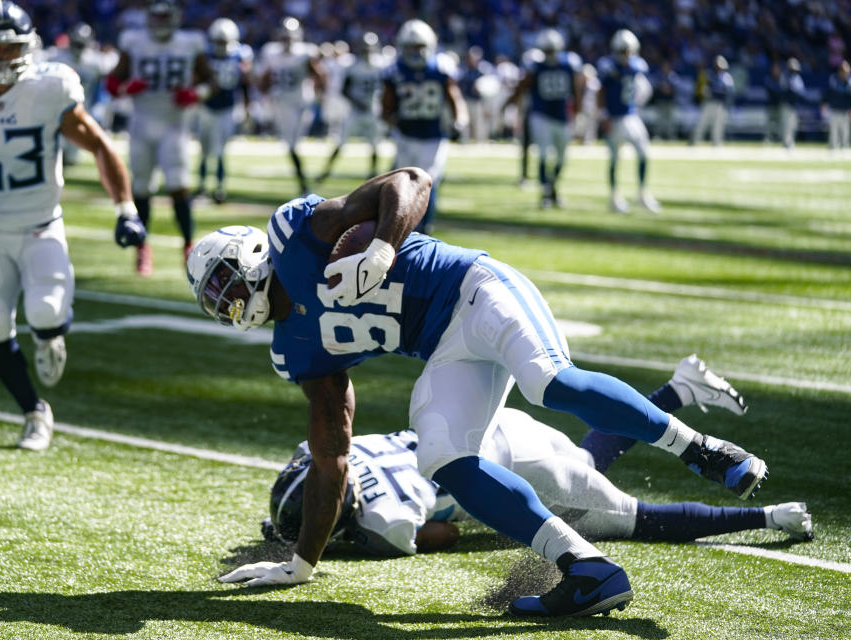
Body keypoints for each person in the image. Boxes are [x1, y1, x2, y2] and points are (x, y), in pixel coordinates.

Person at [186, 167, 767, 617]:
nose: (225, 299)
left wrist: (384, 246)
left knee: (548, 382)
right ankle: (588, 569)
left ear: (251, 252)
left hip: (476, 288)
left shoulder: (297, 234)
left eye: (222, 279)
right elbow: (332, 450)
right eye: (212, 296)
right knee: (438, 456)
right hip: (444, 348)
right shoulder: (294, 350)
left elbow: (411, 181)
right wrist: (301, 563)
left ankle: (701, 448)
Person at [263, 357, 812, 558]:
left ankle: (769, 515)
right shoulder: (323, 457)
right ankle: (680, 390)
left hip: (502, 467)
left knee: (632, 519)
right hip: (479, 425)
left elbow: (442, 537)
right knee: (586, 462)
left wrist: (346, 544)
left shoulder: (382, 521)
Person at [0, 0, 146, 451]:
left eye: (14, 48)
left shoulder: (50, 87)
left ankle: (49, 337)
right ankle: (33, 411)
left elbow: (101, 146)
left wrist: (127, 209)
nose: (6, 57)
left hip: (41, 223)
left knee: (45, 310)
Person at [105, 0, 210, 276]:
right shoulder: (134, 41)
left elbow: (211, 81)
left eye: (166, 17)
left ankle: (188, 245)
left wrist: (196, 94)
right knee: (141, 188)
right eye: (157, 17)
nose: (161, 23)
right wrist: (127, 87)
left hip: (175, 124)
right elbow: (112, 82)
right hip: (141, 122)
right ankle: (143, 248)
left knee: (178, 184)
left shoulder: (190, 43)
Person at [381, 20, 468, 233]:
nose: (415, 51)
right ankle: (398, 226)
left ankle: (424, 228)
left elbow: (453, 96)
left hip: (433, 135)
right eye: (410, 46)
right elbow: (386, 105)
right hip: (406, 134)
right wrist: (390, 121)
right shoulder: (394, 70)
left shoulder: (440, 67)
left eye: (419, 46)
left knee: (429, 182)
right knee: (402, 183)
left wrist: (459, 120)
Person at [504, 29, 583, 208]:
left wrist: (578, 111)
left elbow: (577, 89)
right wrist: (508, 103)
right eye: (547, 50)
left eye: (552, 50)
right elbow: (523, 86)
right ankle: (546, 192)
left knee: (563, 158)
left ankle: (552, 187)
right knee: (544, 153)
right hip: (540, 115)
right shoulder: (536, 66)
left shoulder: (569, 64)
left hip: (562, 115)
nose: (549, 54)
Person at [257, 17, 325, 196]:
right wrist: (263, 92)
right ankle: (303, 182)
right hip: (281, 104)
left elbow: (319, 75)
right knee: (291, 145)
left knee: (293, 145)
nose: (287, 41)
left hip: (301, 103)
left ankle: (303, 183)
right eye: (284, 38)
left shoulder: (306, 52)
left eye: (290, 38)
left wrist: (320, 93)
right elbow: (264, 80)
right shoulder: (271, 52)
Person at [597, 29, 660, 214]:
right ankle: (614, 197)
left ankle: (642, 193)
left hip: (631, 116)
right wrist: (603, 115)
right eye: (623, 50)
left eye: (628, 50)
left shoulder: (637, 65)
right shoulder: (607, 66)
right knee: (615, 158)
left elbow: (642, 89)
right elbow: (600, 92)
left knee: (643, 152)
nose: (626, 53)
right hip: (614, 117)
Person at [193, 17, 252, 203]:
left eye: (224, 41)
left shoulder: (241, 55)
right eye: (218, 41)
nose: (221, 45)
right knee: (203, 150)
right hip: (205, 107)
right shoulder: (205, 55)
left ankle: (219, 188)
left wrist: (246, 105)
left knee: (220, 151)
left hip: (227, 108)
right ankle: (202, 187)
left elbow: (245, 83)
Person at [317, 32, 386, 183]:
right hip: (355, 111)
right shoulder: (353, 66)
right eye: (365, 49)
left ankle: (373, 174)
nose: (367, 52)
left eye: (369, 49)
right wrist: (357, 101)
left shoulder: (381, 65)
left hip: (373, 110)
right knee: (341, 142)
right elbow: (344, 89)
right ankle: (326, 171)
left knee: (374, 145)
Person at [46, 23, 112, 166]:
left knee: (71, 159)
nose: (78, 46)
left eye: (81, 43)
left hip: (83, 109)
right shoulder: (56, 57)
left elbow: (103, 85)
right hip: (58, 110)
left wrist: (100, 104)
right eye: (76, 43)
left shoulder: (96, 62)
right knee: (55, 152)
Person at [691, 55, 734, 146]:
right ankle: (694, 142)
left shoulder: (727, 77)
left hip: (720, 105)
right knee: (702, 123)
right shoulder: (709, 74)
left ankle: (716, 144)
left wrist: (718, 92)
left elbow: (728, 92)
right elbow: (704, 89)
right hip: (709, 103)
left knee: (718, 126)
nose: (718, 67)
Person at [822, 60, 851, 150]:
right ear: (839, 71)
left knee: (845, 131)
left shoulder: (849, 84)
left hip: (845, 112)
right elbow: (827, 94)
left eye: (846, 72)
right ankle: (832, 148)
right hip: (834, 110)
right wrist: (824, 104)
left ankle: (843, 147)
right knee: (833, 131)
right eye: (843, 71)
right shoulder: (833, 80)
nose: (845, 73)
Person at [780, 57, 805, 149]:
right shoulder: (785, 76)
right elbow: (783, 90)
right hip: (787, 104)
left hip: (795, 105)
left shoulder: (797, 78)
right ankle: (786, 143)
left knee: (794, 125)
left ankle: (791, 142)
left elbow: (802, 91)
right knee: (786, 125)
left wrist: (796, 91)